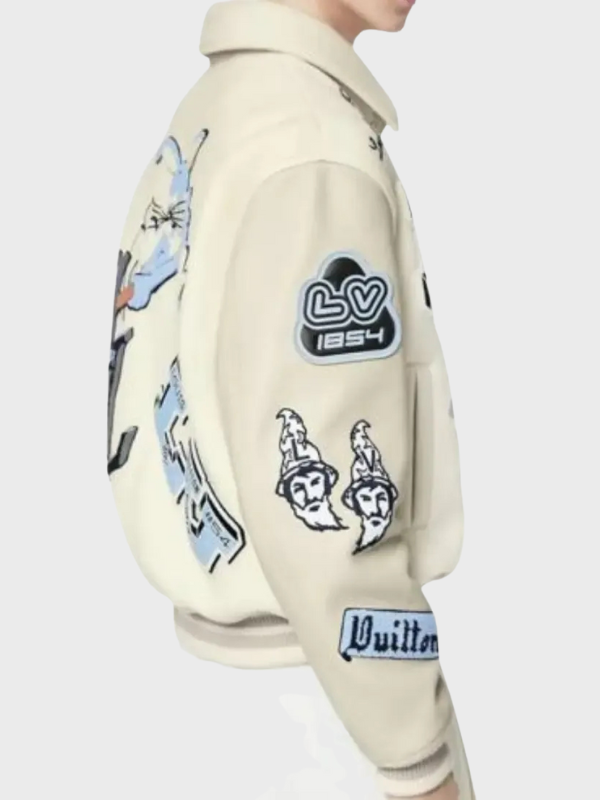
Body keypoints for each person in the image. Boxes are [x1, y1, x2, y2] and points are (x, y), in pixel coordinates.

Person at [107, 1, 475, 798]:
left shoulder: (217, 112)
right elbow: (330, 527)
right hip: (332, 716)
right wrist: (418, 762)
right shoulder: (311, 146)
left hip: (228, 697)